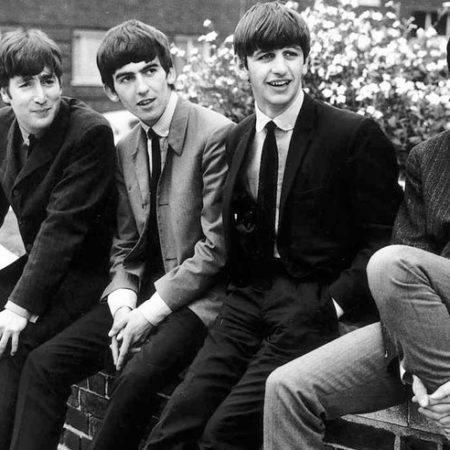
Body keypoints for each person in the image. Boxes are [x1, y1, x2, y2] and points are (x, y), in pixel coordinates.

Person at [144, 3, 403, 449]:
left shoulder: (352, 135)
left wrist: (332, 305)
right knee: (174, 427)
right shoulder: (235, 139)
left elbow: (384, 239)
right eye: (265, 56)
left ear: (306, 60)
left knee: (223, 435)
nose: (280, 69)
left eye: (290, 54)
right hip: (246, 304)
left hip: (311, 304)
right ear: (243, 65)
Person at [5, 19, 234, 450]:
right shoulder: (126, 148)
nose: (142, 88)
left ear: (170, 71)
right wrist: (124, 301)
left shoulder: (216, 133)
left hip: (202, 300)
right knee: (43, 363)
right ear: (111, 90)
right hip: (140, 292)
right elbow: (125, 243)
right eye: (126, 79)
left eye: (150, 71)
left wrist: (148, 313)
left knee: (135, 376)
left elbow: (215, 247)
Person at [263, 36, 450, 450]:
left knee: (391, 264)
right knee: (287, 389)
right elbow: (398, 293)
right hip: (425, 328)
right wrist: (416, 368)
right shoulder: (429, 158)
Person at [0, 29, 116, 450]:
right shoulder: (3, 126)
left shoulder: (89, 132)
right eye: (26, 84)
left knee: (17, 343)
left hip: (86, 276)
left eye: (48, 81)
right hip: (43, 266)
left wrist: (19, 308)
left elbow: (62, 230)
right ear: (5, 92)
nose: (41, 96)